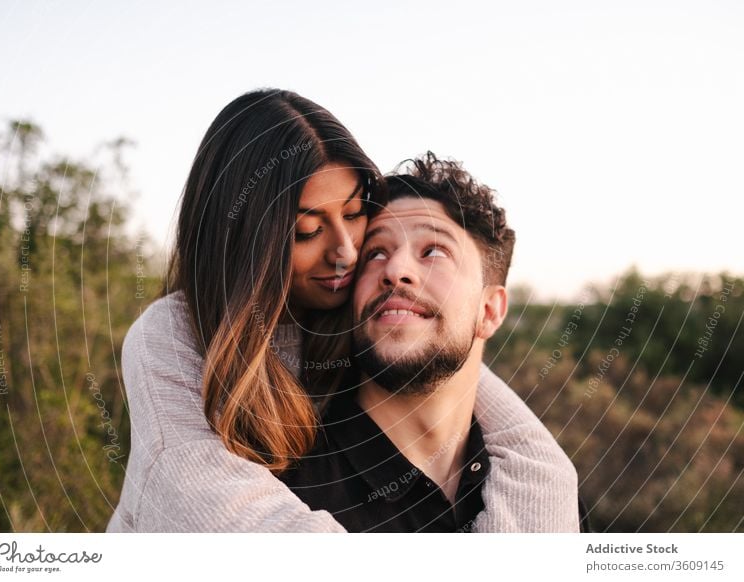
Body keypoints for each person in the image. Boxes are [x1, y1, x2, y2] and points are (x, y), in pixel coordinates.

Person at [106, 89, 578, 533]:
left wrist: (548, 483)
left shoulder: (359, 315)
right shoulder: (172, 335)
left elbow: (464, 372)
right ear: (246, 245)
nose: (346, 253)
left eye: (355, 216)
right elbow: (230, 520)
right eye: (308, 231)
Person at [281, 152, 575, 532]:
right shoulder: (284, 490)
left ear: (489, 310)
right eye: (375, 253)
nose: (395, 270)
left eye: (433, 251)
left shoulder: (547, 501)